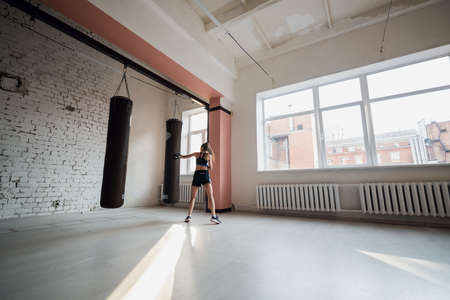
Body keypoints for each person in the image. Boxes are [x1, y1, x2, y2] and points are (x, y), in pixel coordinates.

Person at [175, 143, 221, 224]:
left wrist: (180, 156)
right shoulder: (209, 155)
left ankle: (188, 216)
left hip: (197, 175)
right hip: (205, 175)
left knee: (193, 197)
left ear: (202, 148)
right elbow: (211, 168)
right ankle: (213, 216)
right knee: (211, 197)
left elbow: (185, 156)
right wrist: (206, 164)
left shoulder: (196, 154)